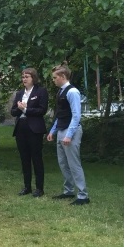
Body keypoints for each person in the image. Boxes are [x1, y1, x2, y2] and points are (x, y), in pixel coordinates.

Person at [47, 61, 90, 206]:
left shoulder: (72, 92)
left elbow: (76, 116)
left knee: (73, 163)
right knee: (63, 163)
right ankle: (68, 191)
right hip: (61, 130)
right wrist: (53, 131)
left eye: (54, 77)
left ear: (63, 76)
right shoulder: (61, 92)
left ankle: (83, 196)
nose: (53, 80)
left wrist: (69, 135)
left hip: (71, 131)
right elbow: (61, 114)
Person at [10, 68, 49, 198]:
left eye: (27, 76)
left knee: (36, 158)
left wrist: (26, 109)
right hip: (21, 127)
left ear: (34, 78)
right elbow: (13, 111)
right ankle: (27, 186)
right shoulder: (20, 93)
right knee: (24, 158)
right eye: (23, 77)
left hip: (34, 128)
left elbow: (42, 110)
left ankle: (39, 188)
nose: (24, 79)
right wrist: (20, 109)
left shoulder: (41, 91)